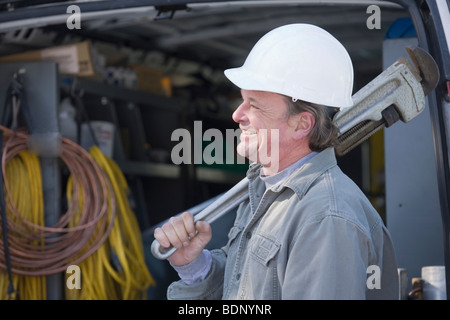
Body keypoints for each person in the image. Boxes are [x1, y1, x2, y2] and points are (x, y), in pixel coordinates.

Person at [153, 23, 399, 299]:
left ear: (301, 124)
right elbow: (247, 288)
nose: (237, 115)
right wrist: (195, 266)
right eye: (243, 100)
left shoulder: (326, 217)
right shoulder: (263, 191)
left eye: (254, 104)